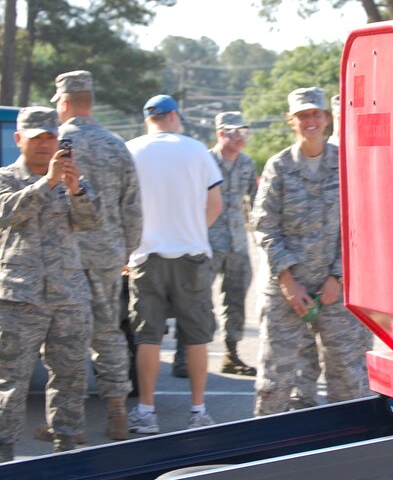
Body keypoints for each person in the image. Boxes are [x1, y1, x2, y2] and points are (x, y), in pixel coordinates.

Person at [0, 107, 100, 461]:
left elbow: (91, 221)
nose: (44, 145)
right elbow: (5, 213)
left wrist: (76, 190)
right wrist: (45, 183)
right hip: (19, 296)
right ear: (19, 140)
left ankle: (65, 447)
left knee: (70, 376)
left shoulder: (72, 179)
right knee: (11, 379)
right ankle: (3, 453)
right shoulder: (3, 179)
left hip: (67, 296)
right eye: (36, 139)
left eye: (50, 138)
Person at [251, 87, 369, 416]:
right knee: (276, 377)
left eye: (315, 113)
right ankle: (266, 451)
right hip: (287, 288)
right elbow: (264, 226)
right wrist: (288, 282)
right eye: (302, 115)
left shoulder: (346, 163)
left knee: (347, 375)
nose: (310, 121)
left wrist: (338, 275)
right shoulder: (280, 167)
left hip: (337, 287)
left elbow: (359, 225)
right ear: (292, 122)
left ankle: (349, 448)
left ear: (327, 119)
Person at [44, 70, 142, 441]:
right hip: (106, 255)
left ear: (64, 102)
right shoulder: (117, 145)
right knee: (108, 333)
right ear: (90, 100)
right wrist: (125, 251)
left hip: (61, 255)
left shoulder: (55, 143)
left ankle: (66, 420)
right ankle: (117, 412)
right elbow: (133, 207)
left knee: (61, 337)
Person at [126, 95, 223, 433]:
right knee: (196, 336)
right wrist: (194, 229)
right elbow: (215, 203)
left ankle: (146, 411)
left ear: (148, 119)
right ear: (175, 116)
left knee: (148, 337)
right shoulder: (196, 149)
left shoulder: (131, 150)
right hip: (191, 255)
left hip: (146, 255)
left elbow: (123, 206)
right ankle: (198, 411)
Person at [173, 111, 258, 377]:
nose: (240, 138)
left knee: (235, 302)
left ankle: (231, 354)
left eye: (244, 132)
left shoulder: (246, 163)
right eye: (234, 132)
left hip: (237, 245)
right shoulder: (203, 161)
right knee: (195, 300)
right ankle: (183, 356)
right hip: (205, 241)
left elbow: (255, 203)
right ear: (220, 133)